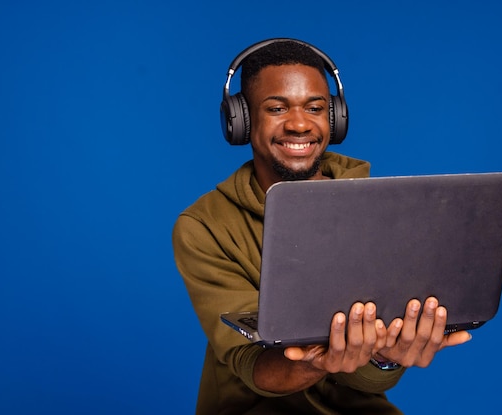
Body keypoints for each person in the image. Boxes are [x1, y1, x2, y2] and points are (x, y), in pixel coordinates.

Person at [172, 38, 472, 414]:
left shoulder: (380, 210)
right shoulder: (204, 227)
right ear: (242, 120)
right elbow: (252, 365)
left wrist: (385, 357)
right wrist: (318, 361)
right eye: (277, 108)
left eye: (315, 108)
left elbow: (368, 377)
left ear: (335, 117)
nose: (299, 124)